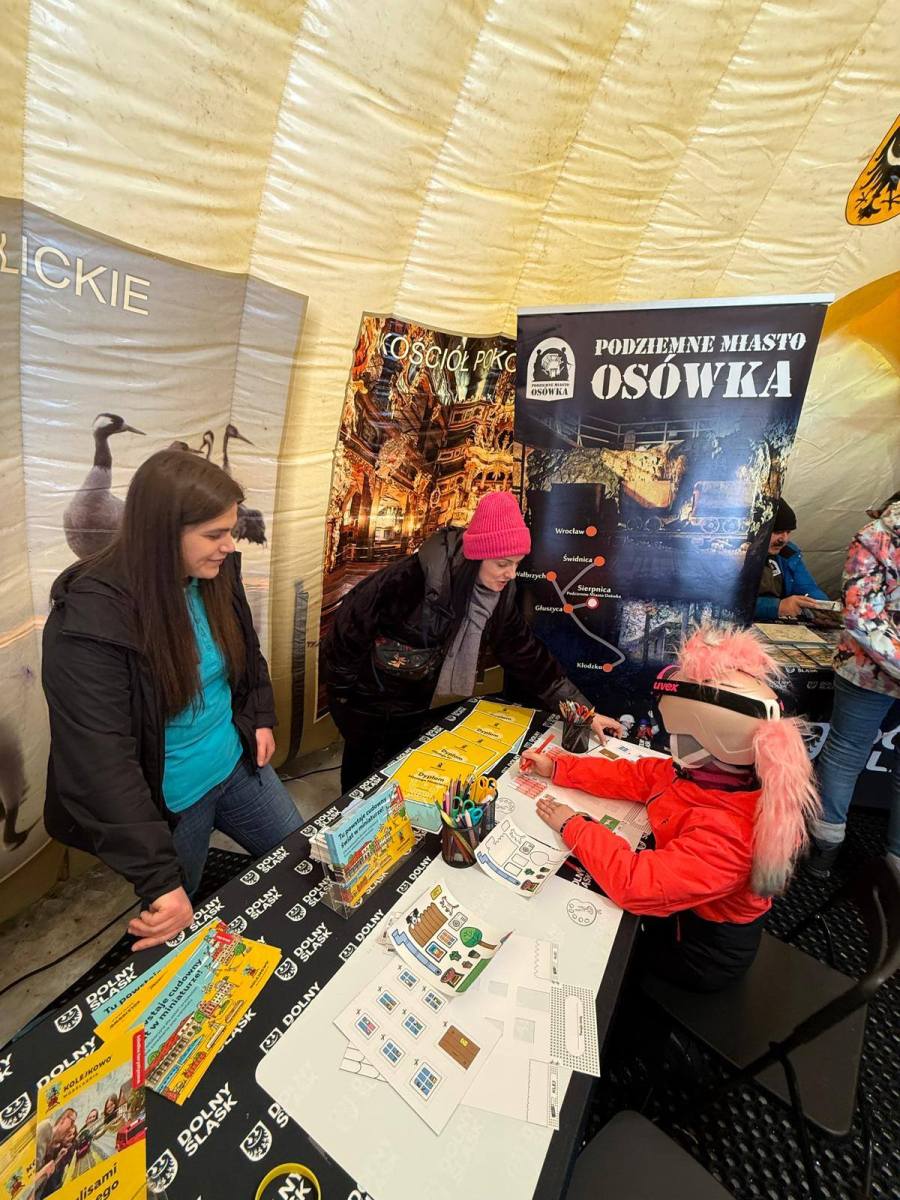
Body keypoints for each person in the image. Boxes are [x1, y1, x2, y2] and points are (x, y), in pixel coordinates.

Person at [42, 450, 302, 951]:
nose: (229, 545)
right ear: (162, 533)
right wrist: (160, 880)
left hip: (237, 765)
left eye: (230, 530)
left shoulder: (212, 574)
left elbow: (245, 652)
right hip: (174, 803)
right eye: (214, 534)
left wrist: (259, 716)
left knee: (299, 857)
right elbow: (100, 762)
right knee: (178, 917)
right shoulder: (91, 622)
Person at [522, 625, 820, 992]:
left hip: (697, 951)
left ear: (706, 740)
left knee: (586, 949)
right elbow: (639, 776)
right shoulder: (712, 772)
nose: (670, 743)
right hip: (681, 913)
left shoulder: (730, 834)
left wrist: (574, 824)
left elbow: (635, 886)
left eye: (678, 736)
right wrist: (560, 768)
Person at [324, 491, 622, 791]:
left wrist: (582, 711)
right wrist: (345, 702)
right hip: (370, 706)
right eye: (503, 563)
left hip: (421, 705)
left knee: (405, 789)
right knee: (361, 790)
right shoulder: (411, 579)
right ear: (477, 555)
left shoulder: (498, 594)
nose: (511, 574)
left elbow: (526, 655)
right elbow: (348, 630)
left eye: (517, 563)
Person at [808, 492, 900, 877]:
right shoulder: (876, 536)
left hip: (865, 667)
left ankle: (823, 853)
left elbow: (860, 617)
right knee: (845, 754)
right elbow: (860, 617)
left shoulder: (875, 535)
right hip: (866, 669)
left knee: (845, 753)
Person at [755, 497, 828, 621]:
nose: (784, 539)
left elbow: (807, 587)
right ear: (757, 529)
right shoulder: (733, 555)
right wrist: (777, 607)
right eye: (778, 532)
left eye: (788, 532)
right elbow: (726, 602)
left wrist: (822, 608)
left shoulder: (788, 553)